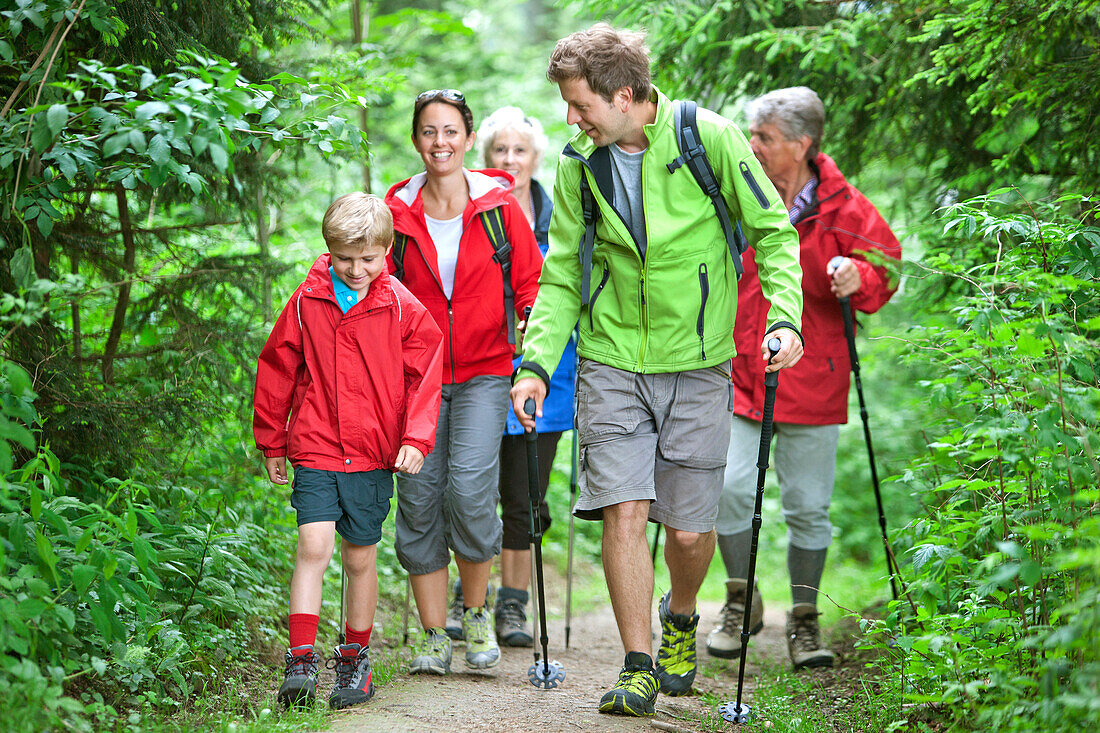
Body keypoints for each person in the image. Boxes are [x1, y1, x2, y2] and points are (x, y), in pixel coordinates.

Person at [510, 25, 805, 717]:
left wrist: (784, 316)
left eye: (580, 105)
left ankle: (681, 615)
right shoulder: (580, 163)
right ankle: (638, 661)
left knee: (690, 532)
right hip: (612, 360)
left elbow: (773, 232)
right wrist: (535, 365)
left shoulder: (709, 138)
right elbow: (560, 275)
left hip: (700, 364)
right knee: (625, 508)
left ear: (623, 94)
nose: (570, 118)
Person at [706, 86, 902, 670]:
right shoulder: (740, 191)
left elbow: (886, 270)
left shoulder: (844, 206)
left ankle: (805, 621)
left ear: (801, 143)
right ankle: (740, 600)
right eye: (752, 135)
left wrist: (856, 277)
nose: (753, 145)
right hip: (743, 372)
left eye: (763, 137)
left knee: (808, 508)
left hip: (815, 379)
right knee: (729, 490)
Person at [253, 193, 444, 710]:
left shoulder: (401, 304)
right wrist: (272, 438)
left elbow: (426, 373)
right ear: (329, 251)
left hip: (372, 451)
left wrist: (415, 438)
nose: (356, 270)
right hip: (316, 442)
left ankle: (354, 661)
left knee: (359, 558)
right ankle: (300, 662)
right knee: (313, 547)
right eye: (345, 259)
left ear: (386, 251)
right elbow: (278, 366)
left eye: (369, 259)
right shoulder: (307, 299)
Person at [385, 89, 543, 674]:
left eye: (451, 131)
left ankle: (475, 614)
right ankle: (432, 635)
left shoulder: (500, 208)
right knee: (420, 498)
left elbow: (533, 286)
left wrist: (531, 348)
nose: (440, 142)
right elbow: (376, 291)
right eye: (429, 131)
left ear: (468, 139)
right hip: (415, 379)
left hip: (483, 372)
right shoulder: (395, 212)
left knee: (472, 493)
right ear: (416, 139)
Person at [473, 106, 576, 647]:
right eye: (499, 150)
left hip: (547, 379)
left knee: (523, 496)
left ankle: (512, 608)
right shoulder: (471, 212)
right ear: (484, 155)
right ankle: (471, 603)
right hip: (480, 370)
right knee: (470, 493)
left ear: (536, 158)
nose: (509, 160)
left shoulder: (563, 219)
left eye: (519, 151)